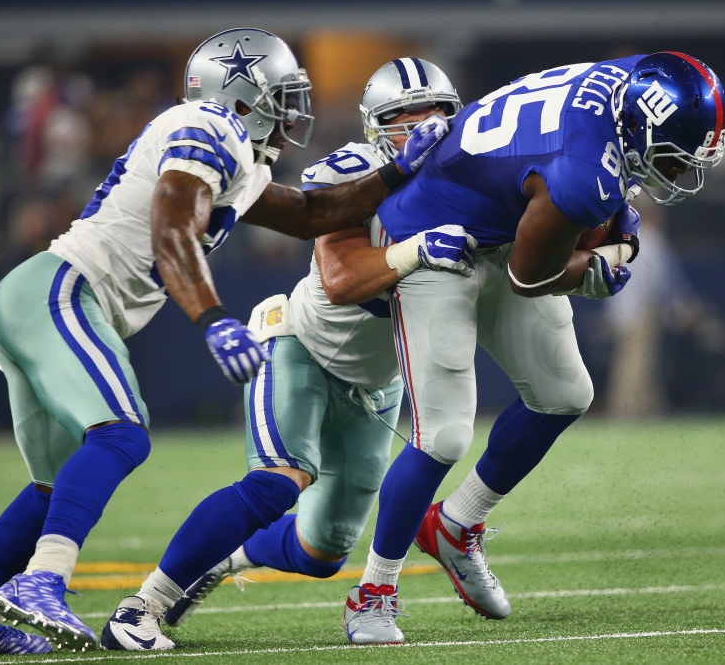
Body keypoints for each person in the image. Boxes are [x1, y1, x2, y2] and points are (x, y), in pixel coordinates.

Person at [0, 30, 447, 655]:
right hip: (61, 290)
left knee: (51, 486)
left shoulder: (243, 159)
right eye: (284, 97)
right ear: (246, 99)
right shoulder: (208, 123)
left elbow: (312, 214)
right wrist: (214, 319)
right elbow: (171, 225)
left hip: (45, 301)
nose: (295, 112)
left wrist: (398, 170)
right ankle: (42, 581)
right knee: (120, 434)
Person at [342, 52, 725, 645]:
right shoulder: (583, 176)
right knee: (443, 434)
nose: (681, 173)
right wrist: (600, 264)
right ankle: (373, 591)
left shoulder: (631, 78)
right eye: (676, 155)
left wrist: (611, 216)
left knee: (564, 393)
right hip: (431, 235)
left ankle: (456, 523)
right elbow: (530, 275)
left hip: (501, 215)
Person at [98, 58, 472, 652]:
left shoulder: (477, 182)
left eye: (437, 112)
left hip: (380, 377)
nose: (424, 125)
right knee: (279, 482)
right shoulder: (353, 170)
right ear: (377, 125)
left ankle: (223, 560)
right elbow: (344, 278)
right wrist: (418, 247)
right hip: (302, 344)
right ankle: (141, 607)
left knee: (323, 553)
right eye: (405, 115)